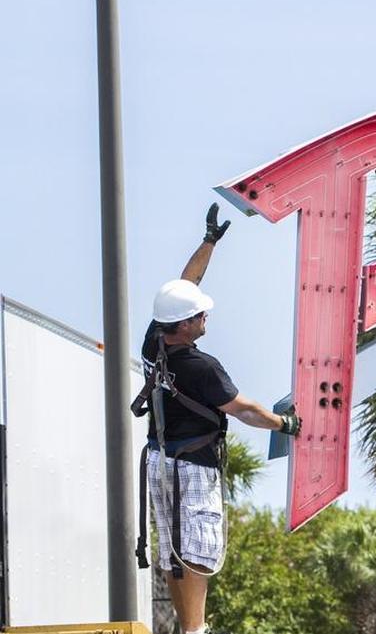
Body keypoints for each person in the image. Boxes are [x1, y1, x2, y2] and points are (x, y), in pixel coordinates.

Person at [139, 204, 301, 634]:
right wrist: (285, 425)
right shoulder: (202, 368)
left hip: (160, 460)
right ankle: (194, 630)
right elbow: (245, 410)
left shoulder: (155, 340)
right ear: (185, 325)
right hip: (192, 466)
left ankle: (186, 626)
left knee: (173, 547)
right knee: (197, 549)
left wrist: (208, 241)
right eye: (199, 316)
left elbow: (185, 285)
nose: (205, 316)